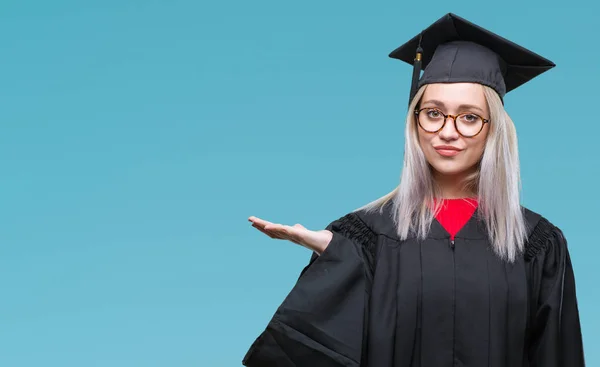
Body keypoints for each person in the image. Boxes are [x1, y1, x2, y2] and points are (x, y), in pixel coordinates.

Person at [242, 13, 585, 367]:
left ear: (493, 130)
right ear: (415, 119)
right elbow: (312, 349)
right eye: (433, 113)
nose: (447, 132)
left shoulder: (536, 244)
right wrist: (341, 257)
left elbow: (557, 356)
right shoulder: (369, 236)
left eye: (469, 117)